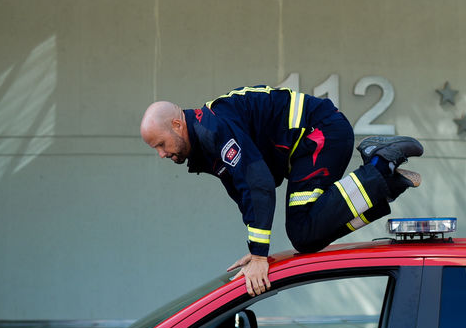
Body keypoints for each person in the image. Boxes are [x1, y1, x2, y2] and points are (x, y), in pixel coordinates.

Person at [140, 86, 423, 296]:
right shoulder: (207, 136)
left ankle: (380, 161)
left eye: (161, 144)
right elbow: (245, 194)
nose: (162, 154)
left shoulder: (214, 131)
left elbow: (259, 183)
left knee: (303, 230)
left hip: (320, 132)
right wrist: (255, 252)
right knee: (305, 236)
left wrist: (261, 254)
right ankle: (386, 182)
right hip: (310, 142)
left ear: (177, 125)